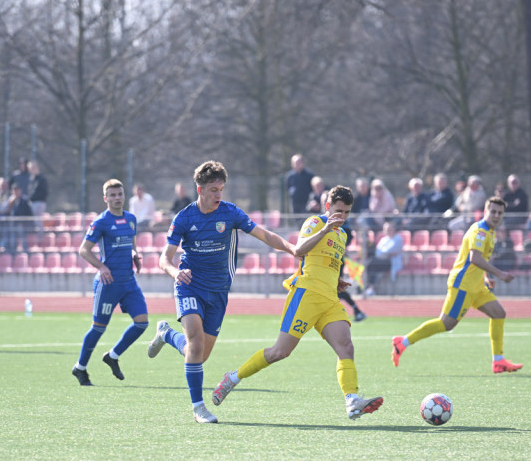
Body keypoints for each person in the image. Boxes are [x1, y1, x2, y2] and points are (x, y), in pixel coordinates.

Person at [210, 185, 384, 420]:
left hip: (329, 299)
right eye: (338, 211)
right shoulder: (315, 223)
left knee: (346, 346)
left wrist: (336, 281)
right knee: (280, 352)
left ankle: (352, 400)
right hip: (307, 295)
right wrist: (325, 229)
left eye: (346, 213)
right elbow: (300, 251)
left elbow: (327, 261)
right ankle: (232, 378)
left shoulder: (342, 235)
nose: (341, 217)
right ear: (327, 207)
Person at [147, 160, 297, 424]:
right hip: (189, 285)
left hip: (218, 292)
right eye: (214, 189)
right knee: (195, 343)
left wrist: (292, 249)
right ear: (200, 189)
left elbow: (264, 235)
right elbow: (164, 259)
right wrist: (175, 272)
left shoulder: (230, 213)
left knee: (199, 353)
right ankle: (198, 408)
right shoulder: (184, 217)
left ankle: (166, 334)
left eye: (221, 189)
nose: (218, 195)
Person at [391, 196, 522, 374]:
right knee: (446, 324)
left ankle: (498, 361)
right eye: (493, 211)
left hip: (477, 286)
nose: (496, 215)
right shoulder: (480, 232)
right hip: (463, 285)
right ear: (485, 212)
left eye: (500, 213)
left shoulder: (490, 232)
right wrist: (500, 274)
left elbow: (478, 259)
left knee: (499, 313)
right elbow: (474, 258)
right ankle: (403, 342)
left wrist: (485, 277)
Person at [71, 179, 149, 386]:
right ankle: (80, 368)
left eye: (119, 194)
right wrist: (102, 267)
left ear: (124, 196)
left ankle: (112, 356)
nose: (117, 198)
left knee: (142, 323)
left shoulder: (131, 219)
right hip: (108, 284)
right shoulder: (101, 222)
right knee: (98, 328)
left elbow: (131, 243)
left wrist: (135, 254)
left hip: (128, 282)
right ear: (105, 198)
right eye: (112, 195)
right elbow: (84, 250)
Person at [364, 219, 404, 294]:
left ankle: (370, 287)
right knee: (370, 265)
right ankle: (370, 287)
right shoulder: (384, 239)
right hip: (381, 261)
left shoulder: (398, 239)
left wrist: (384, 253)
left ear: (394, 229)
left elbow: (389, 251)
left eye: (389, 229)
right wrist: (385, 253)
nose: (387, 231)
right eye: (386, 229)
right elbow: (378, 252)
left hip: (392, 262)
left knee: (371, 264)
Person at [6, 182, 32, 252]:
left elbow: (29, 214)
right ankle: (13, 256)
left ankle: (26, 255)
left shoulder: (25, 200)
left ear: (20, 190)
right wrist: (10, 203)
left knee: (24, 242)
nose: (15, 192)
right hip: (13, 225)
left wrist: (23, 222)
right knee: (12, 242)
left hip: (23, 225)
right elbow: (8, 212)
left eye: (17, 190)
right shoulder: (10, 201)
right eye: (14, 190)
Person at [25, 160, 49, 227]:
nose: (31, 170)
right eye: (30, 168)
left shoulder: (42, 179)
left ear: (37, 167)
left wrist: (33, 197)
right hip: (32, 202)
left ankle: (40, 236)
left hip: (39, 203)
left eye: (33, 168)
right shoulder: (31, 179)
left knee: (37, 221)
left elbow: (44, 192)